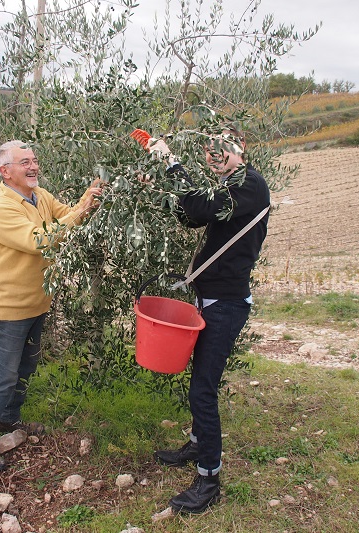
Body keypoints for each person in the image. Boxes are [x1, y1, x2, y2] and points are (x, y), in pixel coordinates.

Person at [148, 129, 270, 513]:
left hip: (226, 305)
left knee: (202, 390)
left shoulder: (249, 184)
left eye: (222, 147)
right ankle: (198, 445)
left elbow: (201, 208)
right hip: (211, 300)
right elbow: (190, 216)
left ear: (241, 147)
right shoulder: (231, 187)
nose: (214, 153)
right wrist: (163, 186)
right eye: (208, 149)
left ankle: (209, 479)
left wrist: (169, 161)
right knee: (200, 381)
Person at [0, 140, 103, 472]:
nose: (33, 166)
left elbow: (67, 216)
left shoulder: (38, 196)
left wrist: (88, 200)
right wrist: (81, 211)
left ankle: (8, 418)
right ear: (5, 171)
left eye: (34, 160)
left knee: (25, 367)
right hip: (9, 309)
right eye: (25, 162)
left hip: (36, 302)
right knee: (2, 375)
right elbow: (39, 240)